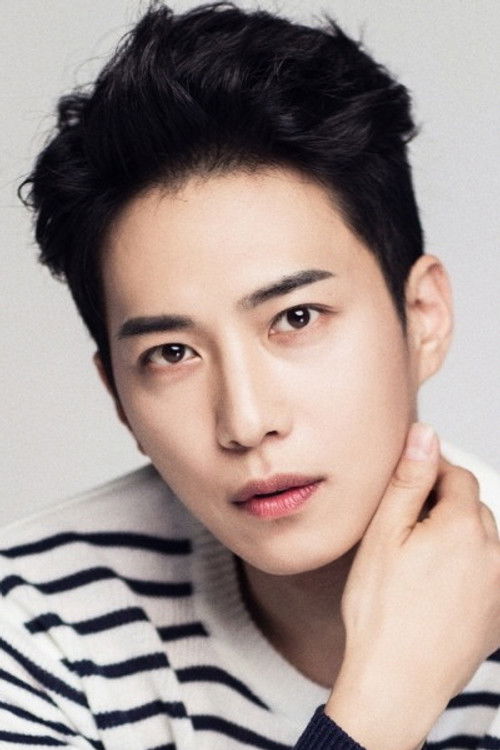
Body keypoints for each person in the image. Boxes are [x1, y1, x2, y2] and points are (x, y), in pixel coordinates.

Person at [2, 2, 499, 748]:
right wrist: (384, 702)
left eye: (296, 317)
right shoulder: (37, 628)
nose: (246, 421)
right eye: (172, 353)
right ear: (119, 399)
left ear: (423, 316)